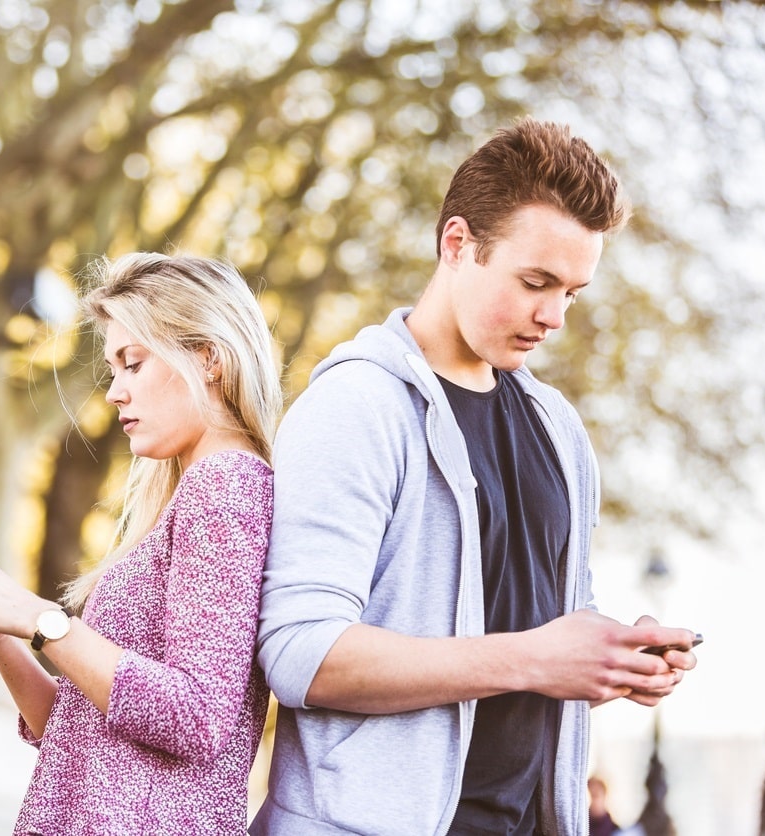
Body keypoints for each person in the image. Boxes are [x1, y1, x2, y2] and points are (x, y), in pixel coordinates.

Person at [251, 119, 700, 835]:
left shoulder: (559, 430)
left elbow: (534, 653)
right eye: (535, 282)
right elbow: (300, 655)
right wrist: (532, 659)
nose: (553, 316)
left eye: (573, 293)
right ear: (456, 244)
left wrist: (610, 660)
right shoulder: (354, 406)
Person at [0, 252, 284, 835]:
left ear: (209, 359)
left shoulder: (227, 487)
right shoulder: (188, 499)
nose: (114, 391)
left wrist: (38, 617)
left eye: (132, 364)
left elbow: (197, 717)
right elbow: (74, 735)